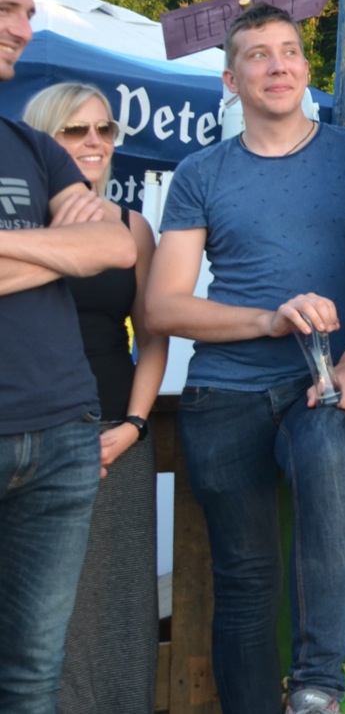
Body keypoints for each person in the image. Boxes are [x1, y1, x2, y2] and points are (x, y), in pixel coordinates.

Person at [146, 4, 345, 714]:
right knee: (245, 577)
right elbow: (162, 307)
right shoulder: (200, 173)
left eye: (289, 51)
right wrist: (268, 319)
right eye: (258, 55)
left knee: (327, 458)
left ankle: (316, 689)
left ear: (306, 68)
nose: (278, 66)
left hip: (323, 380)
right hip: (222, 394)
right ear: (231, 80)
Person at [0, 0, 137, 714]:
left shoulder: (32, 147)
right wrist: (56, 249)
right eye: (5, 10)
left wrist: (16, 247)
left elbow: (113, 247)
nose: (22, 28)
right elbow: (79, 252)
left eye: (26, 12)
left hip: (62, 433)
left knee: (32, 675)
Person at [22, 83, 164, 714]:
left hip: (113, 433)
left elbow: (152, 336)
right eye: (75, 130)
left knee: (116, 608)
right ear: (42, 141)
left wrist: (134, 423)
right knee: (32, 611)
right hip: (30, 432)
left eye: (104, 129)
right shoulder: (19, 227)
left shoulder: (133, 227)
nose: (94, 142)